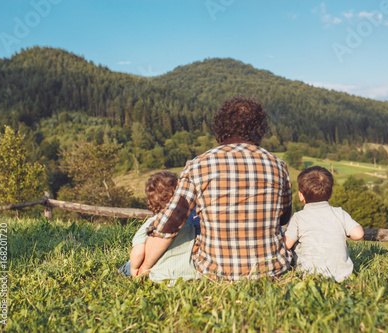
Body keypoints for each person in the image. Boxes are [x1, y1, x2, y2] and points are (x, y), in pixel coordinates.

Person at [138, 96, 293, 280]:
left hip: (215, 271)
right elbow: (284, 217)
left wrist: (145, 267)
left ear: (221, 126)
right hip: (271, 269)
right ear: (259, 129)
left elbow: (170, 222)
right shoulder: (278, 165)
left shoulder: (198, 165)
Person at [284, 166, 364, 282]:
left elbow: (287, 244)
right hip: (343, 276)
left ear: (300, 195)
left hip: (309, 276)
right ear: (330, 193)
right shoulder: (339, 213)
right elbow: (358, 234)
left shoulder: (298, 217)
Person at [119, 171, 199, 282]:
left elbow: (138, 252)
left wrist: (133, 268)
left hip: (160, 276)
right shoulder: (187, 223)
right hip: (188, 275)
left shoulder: (150, 224)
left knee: (123, 269)